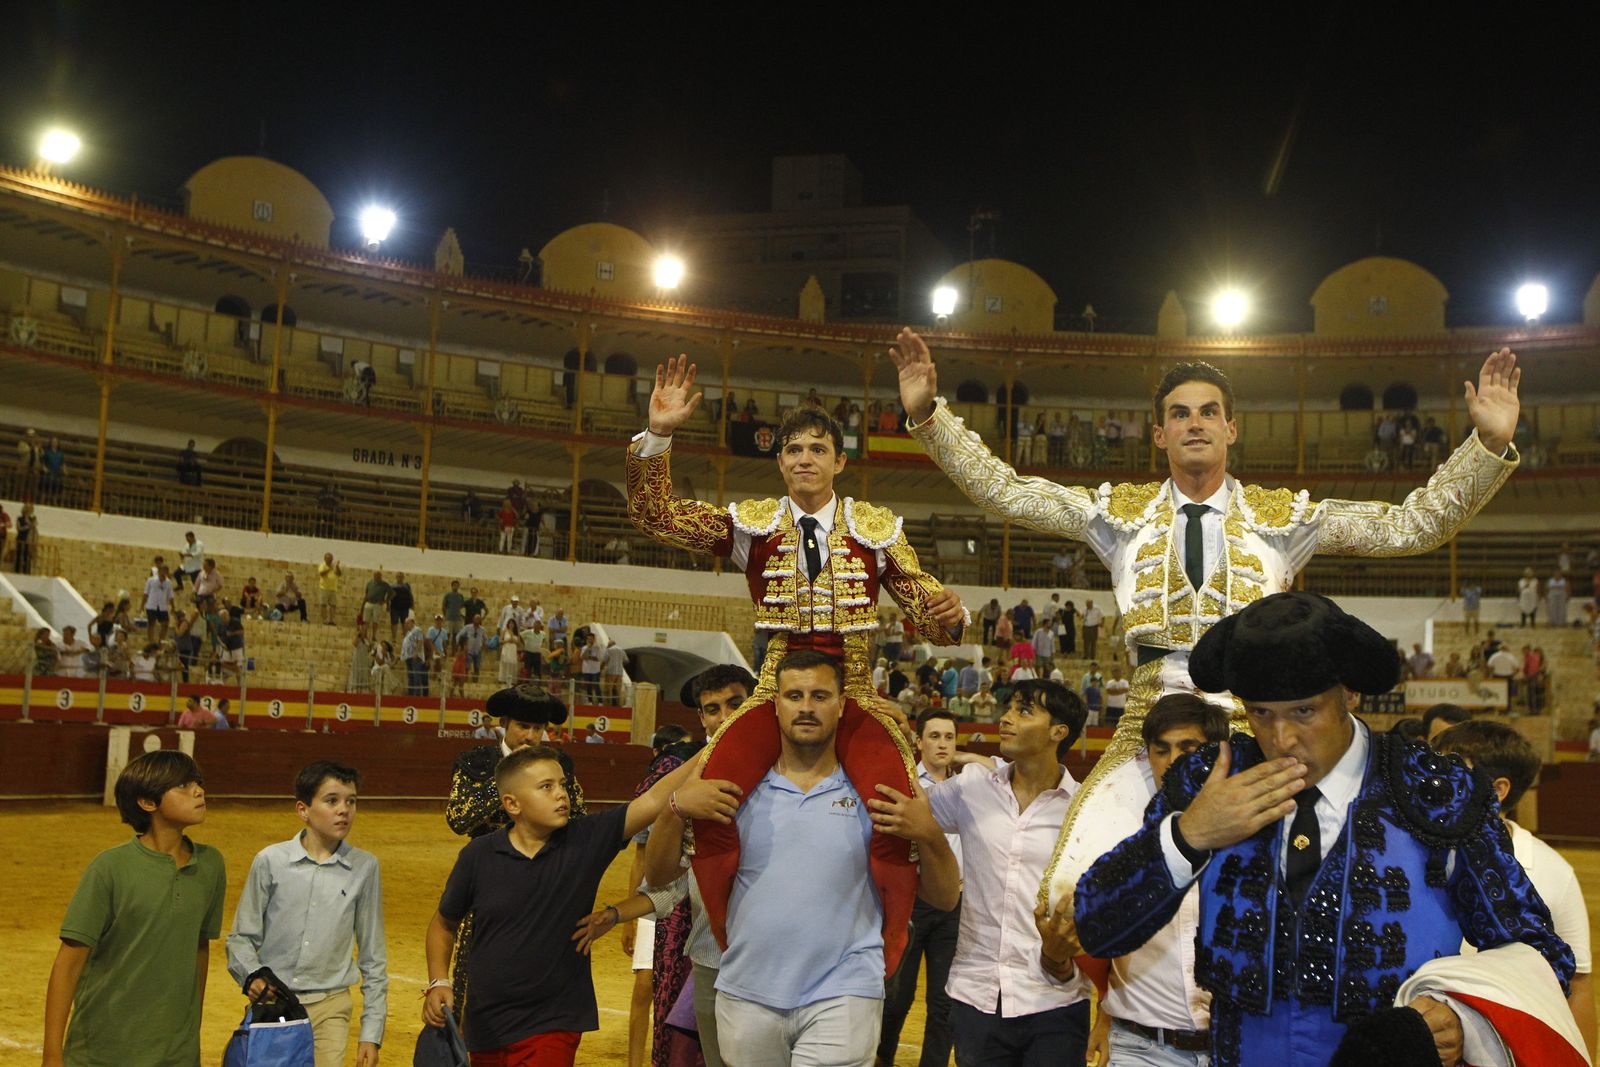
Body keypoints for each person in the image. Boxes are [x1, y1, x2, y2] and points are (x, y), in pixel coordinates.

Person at [1072, 592, 1573, 1067]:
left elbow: (1539, 952)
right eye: (1261, 713)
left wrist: (1463, 1016)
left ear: (1349, 694)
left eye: (1304, 712)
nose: (1280, 738)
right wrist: (1190, 835)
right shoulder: (1210, 780)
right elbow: (1098, 924)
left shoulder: (1437, 790)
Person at [644, 650, 959, 1066]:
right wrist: (675, 809)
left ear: (842, 703)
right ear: (775, 704)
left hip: (845, 992)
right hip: (746, 991)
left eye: (820, 695)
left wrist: (930, 834)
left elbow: (944, 898)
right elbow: (661, 874)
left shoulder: (880, 793)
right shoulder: (729, 788)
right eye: (794, 695)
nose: (806, 707)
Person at [421, 730, 738, 1063]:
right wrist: (438, 979)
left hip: (554, 1021)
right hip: (486, 1025)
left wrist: (715, 747)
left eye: (562, 784)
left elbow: (654, 799)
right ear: (512, 804)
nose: (562, 794)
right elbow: (444, 924)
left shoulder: (585, 839)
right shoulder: (478, 856)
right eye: (547, 787)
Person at [873, 679, 1091, 1065]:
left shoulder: (1082, 810)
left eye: (1024, 711)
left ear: (1059, 732)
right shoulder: (972, 786)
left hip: (1054, 995)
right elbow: (908, 805)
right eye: (1009, 708)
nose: (1006, 718)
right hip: (976, 993)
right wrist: (899, 738)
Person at [1057, 692, 1231, 1067]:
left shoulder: (1249, 829)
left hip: (1234, 1045)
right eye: (1161, 750)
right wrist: (1105, 1012)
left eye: (1188, 747)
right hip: (1142, 1047)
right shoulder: (1116, 828)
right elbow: (1104, 932)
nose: (1173, 762)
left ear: (1216, 752)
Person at [42, 750, 225, 1067]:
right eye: (182, 785)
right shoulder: (110, 867)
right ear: (148, 802)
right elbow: (68, 964)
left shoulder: (211, 865)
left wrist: (189, 1034)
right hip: (103, 1051)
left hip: (176, 1054)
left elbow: (198, 950)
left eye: (198, 782)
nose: (198, 791)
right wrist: (52, 1055)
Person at [1433, 719, 1595, 1058]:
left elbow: (1577, 986)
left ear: (1497, 790)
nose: (1430, 781)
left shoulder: (1552, 871)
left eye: (1449, 770)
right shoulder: (1410, 853)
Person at [443, 684, 588, 1025]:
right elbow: (458, 818)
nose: (531, 735)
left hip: (545, 880)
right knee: (475, 985)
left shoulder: (558, 765)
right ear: (505, 724)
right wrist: (513, 780)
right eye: (524, 726)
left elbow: (577, 818)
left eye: (539, 728)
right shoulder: (477, 761)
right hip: (486, 882)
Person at [227, 761, 387, 1067]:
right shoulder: (270, 861)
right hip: (274, 1005)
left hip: (331, 1006)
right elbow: (240, 938)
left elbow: (373, 956)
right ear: (303, 809)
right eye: (332, 800)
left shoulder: (365, 868)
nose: (344, 810)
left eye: (351, 801)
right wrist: (251, 976)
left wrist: (371, 1033)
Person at [875, 707, 970, 1067]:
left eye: (949, 737)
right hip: (911, 901)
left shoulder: (968, 787)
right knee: (897, 996)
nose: (942, 744)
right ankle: (881, 1060)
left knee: (945, 1001)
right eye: (934, 736)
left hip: (955, 903)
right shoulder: (905, 785)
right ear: (919, 742)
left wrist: (964, 758)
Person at [143, 563, 175, 642]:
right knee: (151, 624)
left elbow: (170, 596)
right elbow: (146, 593)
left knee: (165, 624)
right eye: (163, 570)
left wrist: (173, 607)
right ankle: (151, 641)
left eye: (166, 571)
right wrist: (142, 605)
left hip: (163, 607)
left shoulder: (169, 583)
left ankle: (161, 641)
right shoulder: (151, 580)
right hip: (151, 605)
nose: (164, 572)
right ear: (159, 571)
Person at [360, 570, 391, 639]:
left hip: (377, 604)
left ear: (381, 576)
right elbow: (366, 595)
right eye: (376, 575)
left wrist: (385, 602)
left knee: (375, 621)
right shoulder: (370, 583)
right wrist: (362, 606)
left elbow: (391, 594)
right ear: (373, 576)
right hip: (368, 603)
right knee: (366, 620)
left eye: (379, 576)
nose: (377, 577)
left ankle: (374, 635)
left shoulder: (385, 584)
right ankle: (365, 634)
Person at [316, 552, 342, 625]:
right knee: (323, 604)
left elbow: (339, 574)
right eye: (328, 558)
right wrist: (330, 568)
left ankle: (331, 620)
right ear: (325, 559)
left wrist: (337, 567)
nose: (330, 560)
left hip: (333, 588)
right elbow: (321, 574)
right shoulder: (322, 565)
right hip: (324, 588)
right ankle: (324, 620)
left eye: (331, 559)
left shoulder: (334, 566)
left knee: (333, 605)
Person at [601, 639, 628, 705]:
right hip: (619, 673)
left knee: (609, 689)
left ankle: (609, 705)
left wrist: (601, 668)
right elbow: (626, 661)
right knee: (618, 690)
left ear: (609, 645)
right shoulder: (621, 650)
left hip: (610, 671)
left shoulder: (609, 650)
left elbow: (604, 660)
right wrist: (620, 664)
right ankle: (618, 704)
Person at [388, 572, 413, 642]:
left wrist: (412, 605)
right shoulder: (392, 586)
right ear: (396, 577)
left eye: (401, 577)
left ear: (403, 577)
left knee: (404, 623)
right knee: (394, 623)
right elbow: (389, 596)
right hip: (394, 607)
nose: (400, 578)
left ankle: (405, 638)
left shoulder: (407, 586)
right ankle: (394, 638)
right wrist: (388, 605)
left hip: (405, 608)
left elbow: (410, 595)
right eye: (399, 576)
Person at [14, 501, 35, 573]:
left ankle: (27, 570)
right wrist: (27, 526)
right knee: (19, 553)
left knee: (27, 555)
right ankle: (17, 570)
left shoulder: (32, 519)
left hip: (28, 539)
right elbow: (19, 528)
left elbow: (33, 526)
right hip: (20, 538)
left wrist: (29, 524)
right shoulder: (20, 518)